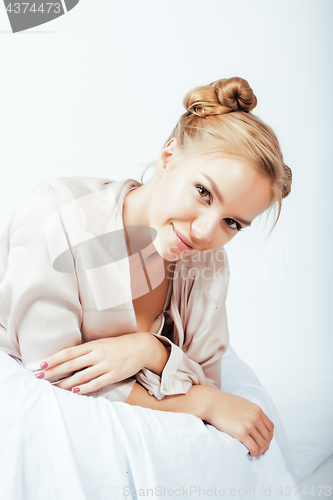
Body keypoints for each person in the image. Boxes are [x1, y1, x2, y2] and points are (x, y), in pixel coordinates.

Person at [0, 76, 292, 459]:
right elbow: (54, 372)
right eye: (203, 192)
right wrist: (203, 404)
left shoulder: (207, 262)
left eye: (232, 223)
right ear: (169, 156)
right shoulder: (56, 216)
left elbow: (207, 377)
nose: (205, 232)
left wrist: (150, 350)